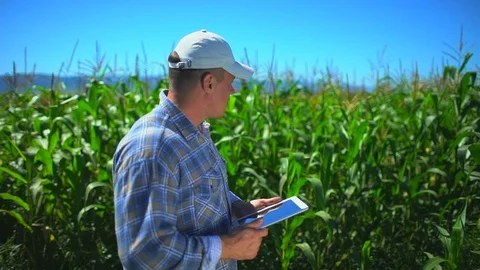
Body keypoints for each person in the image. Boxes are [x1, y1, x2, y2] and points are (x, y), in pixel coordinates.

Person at [112, 29, 282, 270]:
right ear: (209, 83)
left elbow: (191, 199)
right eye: (230, 82)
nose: (232, 91)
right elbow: (144, 253)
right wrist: (228, 247)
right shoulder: (155, 147)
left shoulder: (194, 132)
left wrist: (238, 209)